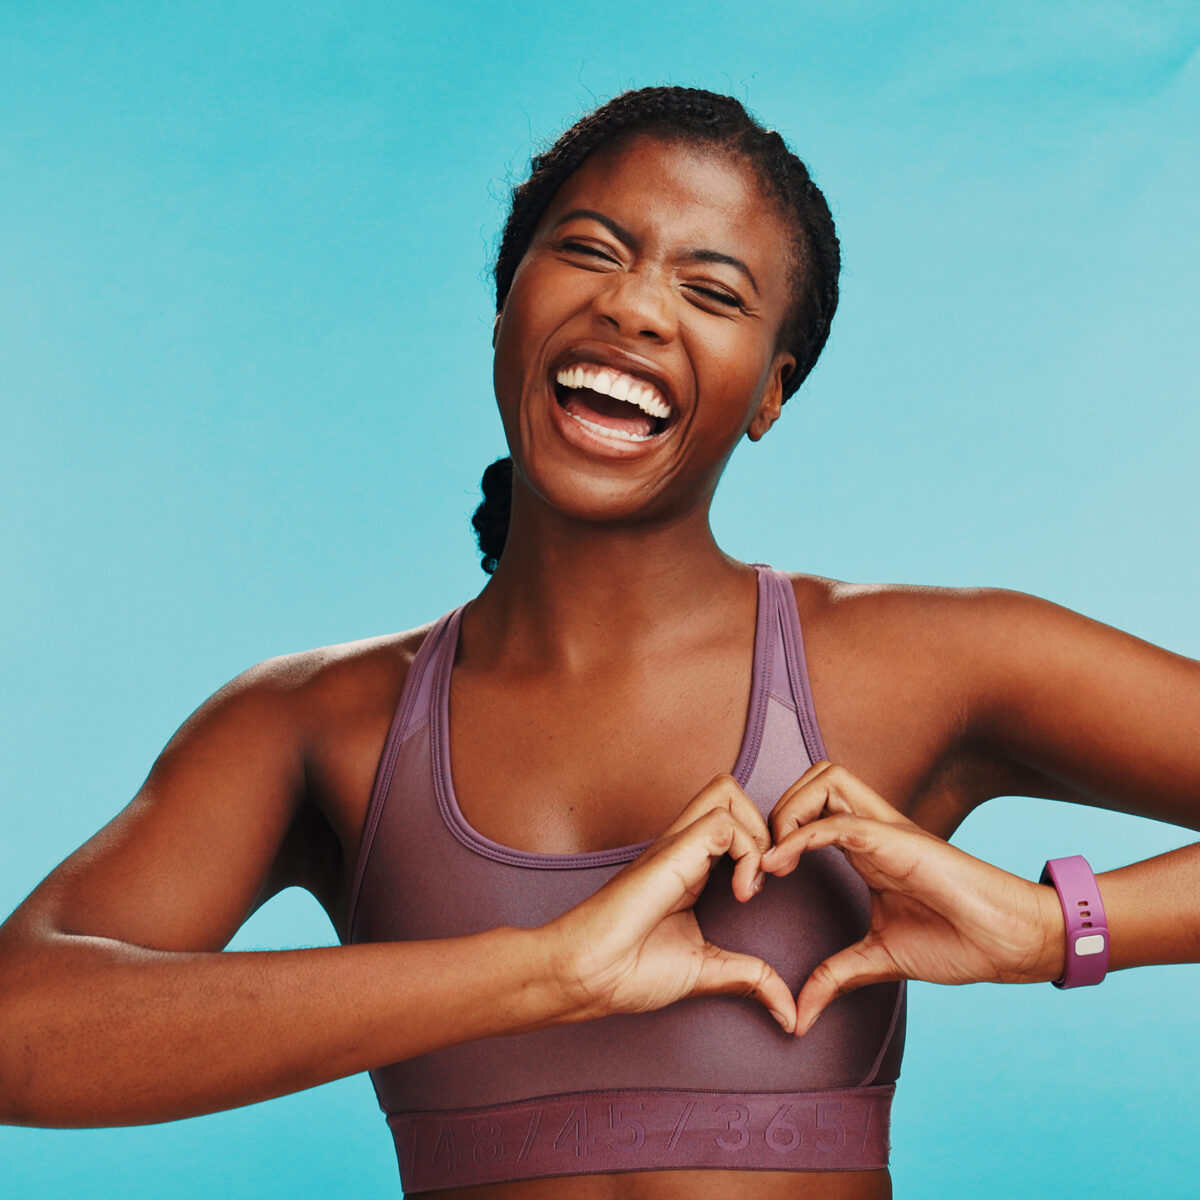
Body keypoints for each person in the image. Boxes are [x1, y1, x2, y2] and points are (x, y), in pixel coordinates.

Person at [0, 86, 1196, 1199]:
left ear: (772, 392)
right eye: (588, 250)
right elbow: (21, 1034)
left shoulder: (929, 669)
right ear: (505, 300)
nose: (632, 306)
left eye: (713, 292)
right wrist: (547, 971)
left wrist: (1060, 929)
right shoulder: (310, 724)